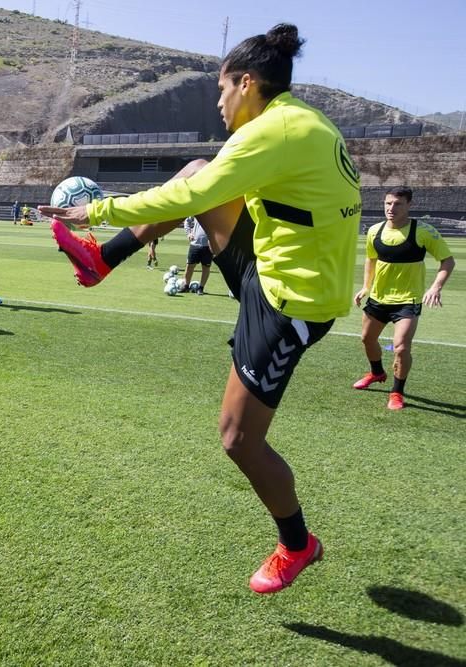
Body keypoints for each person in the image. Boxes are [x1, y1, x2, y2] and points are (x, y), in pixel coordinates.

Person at [41, 24, 361, 594]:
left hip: (290, 303)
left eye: (222, 90)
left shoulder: (273, 131)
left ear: (247, 82)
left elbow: (188, 202)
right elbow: (206, 189)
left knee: (239, 439)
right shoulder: (306, 124)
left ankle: (297, 544)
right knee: (195, 169)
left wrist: (101, 209)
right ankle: (102, 261)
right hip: (274, 271)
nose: (218, 102)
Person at [352, 187, 455, 410]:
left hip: (408, 300)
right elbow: (371, 260)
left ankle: (397, 392)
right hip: (378, 299)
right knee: (367, 340)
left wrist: (435, 287)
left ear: (409, 205)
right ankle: (377, 373)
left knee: (400, 348)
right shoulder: (374, 231)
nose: (391, 208)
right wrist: (365, 287)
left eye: (398, 204)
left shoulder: (423, 231)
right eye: (388, 203)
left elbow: (447, 261)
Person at [183, 215, 212, 293]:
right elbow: (187, 220)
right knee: (189, 266)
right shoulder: (199, 210)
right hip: (195, 244)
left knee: (206, 267)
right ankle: (186, 286)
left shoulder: (215, 211)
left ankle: (201, 288)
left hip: (208, 246)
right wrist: (188, 233)